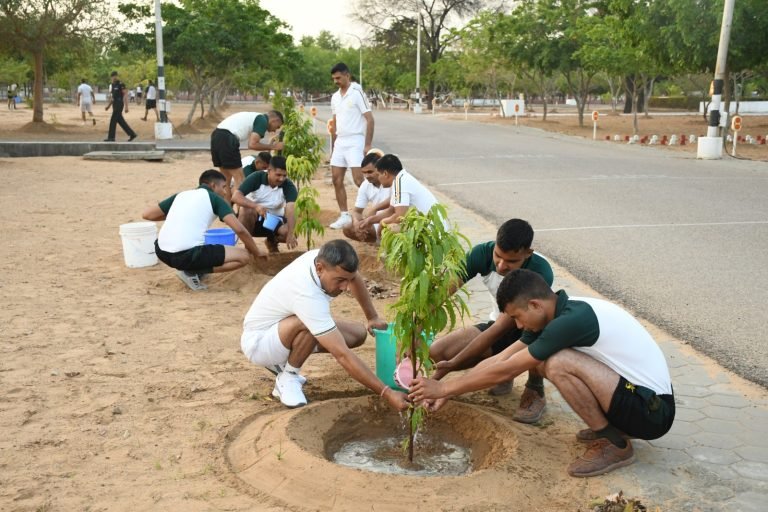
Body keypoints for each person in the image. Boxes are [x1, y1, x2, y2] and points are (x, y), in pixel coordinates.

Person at [409, 269, 675, 478]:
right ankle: (614, 428)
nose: (517, 325)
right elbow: (503, 358)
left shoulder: (570, 321)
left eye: (517, 317)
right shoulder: (552, 314)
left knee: (556, 362)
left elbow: (509, 369)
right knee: (544, 359)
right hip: (630, 396)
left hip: (652, 412)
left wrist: (445, 389)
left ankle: (614, 444)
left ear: (535, 305)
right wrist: (446, 388)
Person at [240, 239, 410, 410]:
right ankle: (288, 378)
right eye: (340, 280)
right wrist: (387, 393)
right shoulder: (306, 295)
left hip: (281, 331)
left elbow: (354, 276)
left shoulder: (323, 259)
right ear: (320, 269)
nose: (345, 287)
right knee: (309, 323)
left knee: (357, 334)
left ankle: (281, 362)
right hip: (259, 343)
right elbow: (342, 355)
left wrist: (372, 316)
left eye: (348, 280)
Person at [429, 219, 554, 421]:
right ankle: (503, 372)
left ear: (527, 254)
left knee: (540, 338)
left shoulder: (540, 271)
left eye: (511, 262)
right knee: (437, 352)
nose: (501, 265)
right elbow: (445, 291)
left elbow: (499, 330)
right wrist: (417, 327)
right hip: (497, 323)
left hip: (529, 330)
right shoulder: (481, 254)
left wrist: (451, 367)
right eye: (498, 256)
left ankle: (534, 389)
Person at [141, 169, 266, 291]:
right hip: (186, 255)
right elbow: (240, 230)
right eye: (223, 187)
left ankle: (191, 268)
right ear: (212, 185)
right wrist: (256, 252)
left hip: (162, 251)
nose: (224, 192)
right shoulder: (215, 198)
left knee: (203, 243)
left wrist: (179, 213)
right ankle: (192, 271)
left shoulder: (181, 195)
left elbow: (148, 215)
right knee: (243, 257)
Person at [328, 62, 375, 230]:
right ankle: (344, 215)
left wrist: (367, 144)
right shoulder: (334, 97)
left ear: (347, 75)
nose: (336, 81)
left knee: (359, 179)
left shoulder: (357, 93)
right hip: (341, 141)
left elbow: (370, 119)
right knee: (336, 179)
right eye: (333, 78)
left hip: (356, 140)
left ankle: (375, 211)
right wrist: (333, 147)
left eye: (338, 78)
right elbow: (334, 123)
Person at [210, 110, 285, 201]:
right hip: (227, 139)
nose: (274, 130)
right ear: (275, 120)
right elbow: (252, 144)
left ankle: (227, 211)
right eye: (277, 127)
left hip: (216, 136)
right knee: (241, 180)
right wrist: (274, 146)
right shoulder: (262, 120)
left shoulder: (255, 116)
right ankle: (242, 211)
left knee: (226, 180)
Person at [359, 153, 439, 237]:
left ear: (385, 174)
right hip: (428, 226)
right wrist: (369, 220)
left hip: (432, 232)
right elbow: (391, 211)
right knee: (390, 225)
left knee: (391, 228)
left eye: (378, 174)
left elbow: (400, 217)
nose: (378, 178)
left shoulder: (400, 182)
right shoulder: (400, 178)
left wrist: (382, 224)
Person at [232, 155, 298, 253]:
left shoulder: (288, 185)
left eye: (284, 175)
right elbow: (236, 196)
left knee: (290, 232)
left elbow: (291, 208)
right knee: (246, 210)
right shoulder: (256, 177)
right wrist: (256, 206)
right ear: (269, 170)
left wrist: (290, 233)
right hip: (252, 220)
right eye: (278, 175)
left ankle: (272, 242)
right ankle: (249, 249)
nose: (281, 179)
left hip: (273, 221)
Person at [342, 151, 390, 243]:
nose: (367, 176)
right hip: (375, 222)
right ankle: (378, 243)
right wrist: (356, 223)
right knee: (348, 227)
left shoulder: (391, 181)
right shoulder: (365, 185)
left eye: (370, 172)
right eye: (364, 172)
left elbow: (394, 208)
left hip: (391, 220)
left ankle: (384, 243)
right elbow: (357, 211)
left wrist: (370, 218)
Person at [104, 71, 137, 142]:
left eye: (115, 76)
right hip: (114, 104)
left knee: (113, 120)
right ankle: (132, 134)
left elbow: (125, 95)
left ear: (117, 76)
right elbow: (113, 97)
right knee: (120, 121)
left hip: (119, 104)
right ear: (111, 77)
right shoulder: (112, 85)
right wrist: (108, 106)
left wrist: (126, 106)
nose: (114, 77)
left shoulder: (121, 84)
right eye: (113, 76)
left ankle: (111, 137)